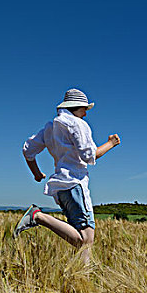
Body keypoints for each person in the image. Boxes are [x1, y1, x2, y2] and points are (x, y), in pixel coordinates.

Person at [13, 88, 120, 262]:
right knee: (86, 239)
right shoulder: (78, 124)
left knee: (84, 240)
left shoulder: (50, 127)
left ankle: (83, 281)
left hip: (61, 188)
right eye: (84, 109)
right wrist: (111, 143)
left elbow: (28, 150)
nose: (85, 114)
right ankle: (38, 216)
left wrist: (37, 173)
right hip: (75, 183)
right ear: (75, 107)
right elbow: (90, 155)